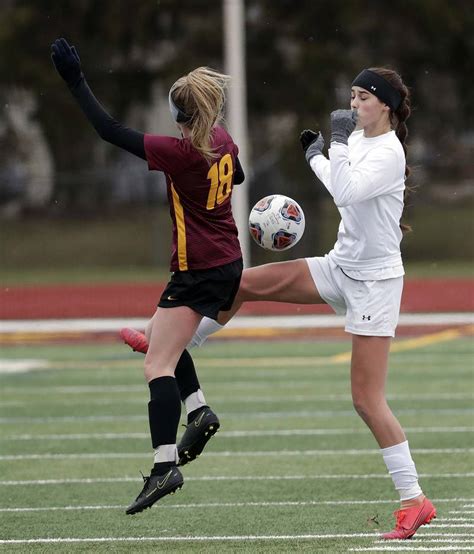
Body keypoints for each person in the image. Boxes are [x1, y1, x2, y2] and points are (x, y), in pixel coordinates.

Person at [121, 67, 436, 539]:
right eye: (350, 96)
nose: (353, 105)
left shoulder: (388, 150)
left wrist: (333, 144)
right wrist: (317, 155)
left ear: (385, 105)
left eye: (362, 98)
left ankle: (414, 500)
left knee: (366, 400)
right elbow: (342, 179)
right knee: (241, 283)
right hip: (340, 266)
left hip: (374, 285)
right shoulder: (365, 143)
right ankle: (174, 342)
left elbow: (346, 190)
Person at [51, 38, 244, 514]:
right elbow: (236, 177)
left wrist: (76, 82)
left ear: (179, 114)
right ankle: (198, 410)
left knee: (156, 365)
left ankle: (164, 467)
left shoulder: (181, 152)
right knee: (159, 337)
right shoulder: (222, 140)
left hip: (197, 268)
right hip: (227, 260)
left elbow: (109, 130)